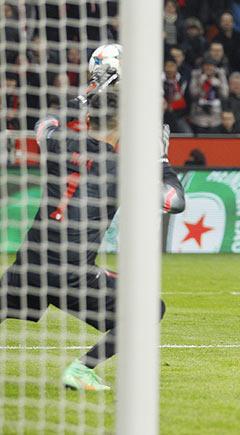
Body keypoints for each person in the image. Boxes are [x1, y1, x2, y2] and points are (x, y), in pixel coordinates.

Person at [0, 84, 185, 391]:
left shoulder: (59, 142)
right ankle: (81, 369)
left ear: (87, 120)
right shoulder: (122, 168)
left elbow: (44, 124)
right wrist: (161, 161)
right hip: (71, 274)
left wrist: (85, 95)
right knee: (150, 308)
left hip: (31, 261)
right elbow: (174, 201)